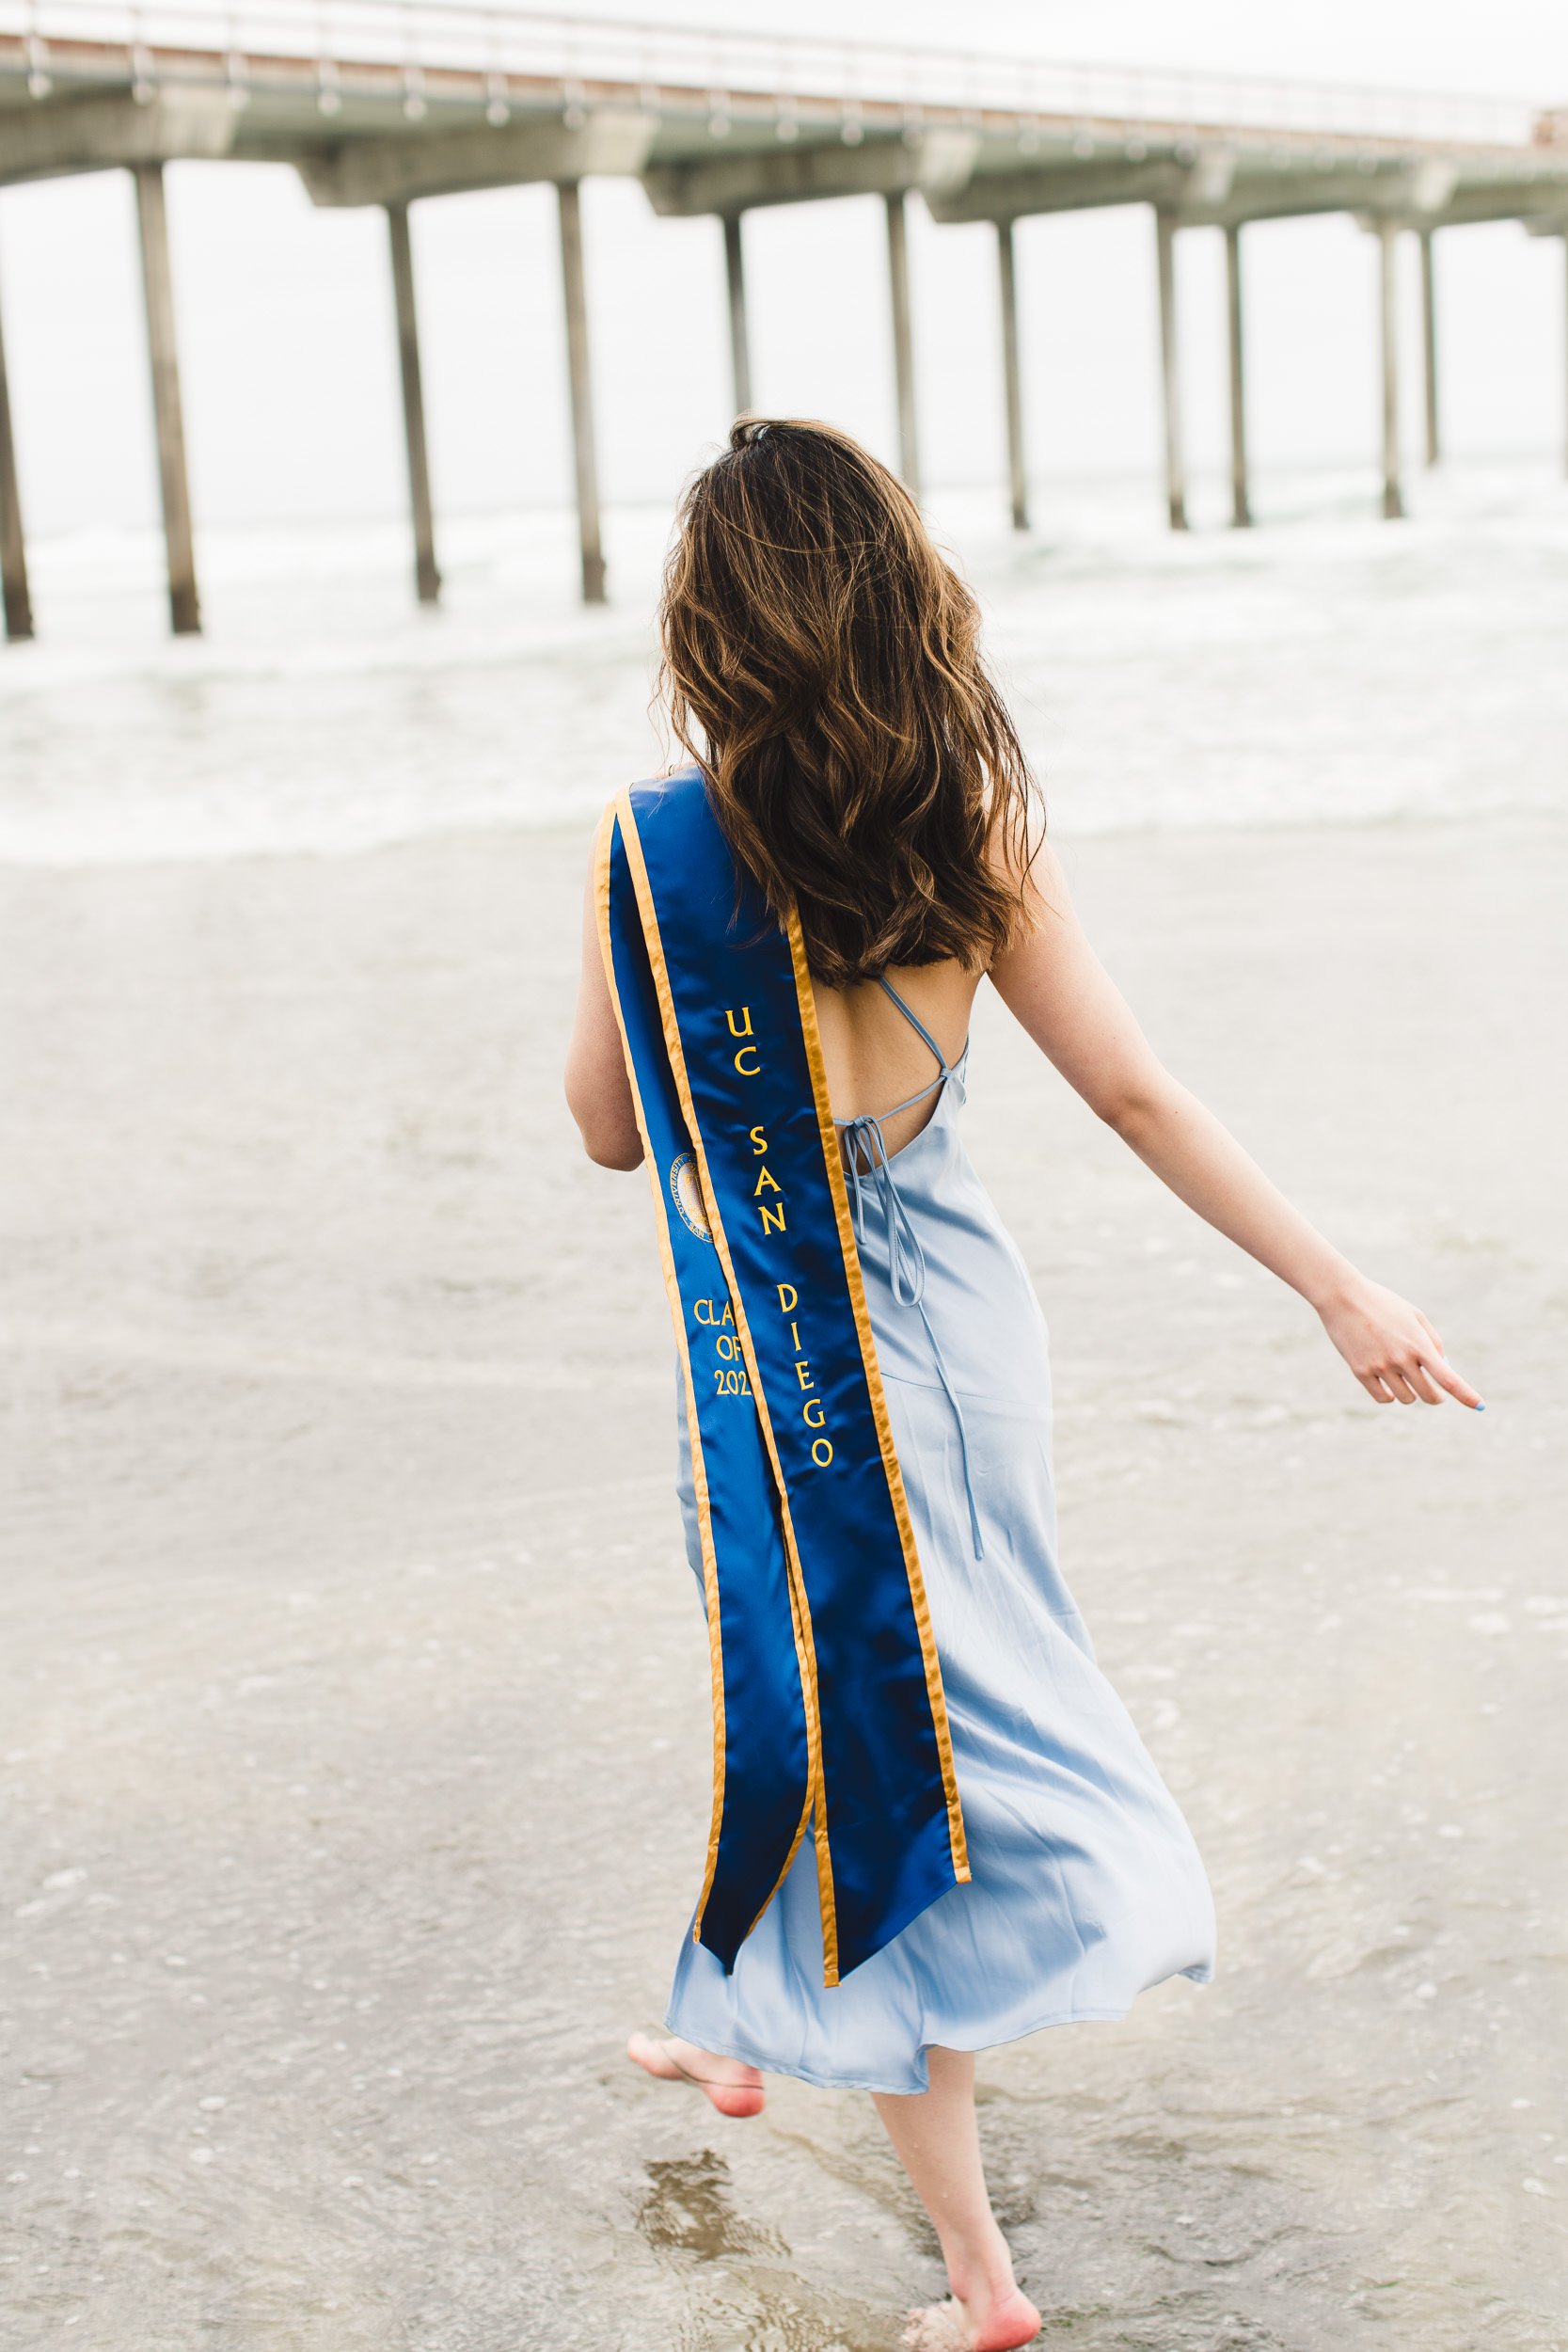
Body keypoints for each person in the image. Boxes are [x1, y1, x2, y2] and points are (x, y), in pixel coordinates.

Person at [564, 419, 1481, 2352]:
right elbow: (1137, 1091)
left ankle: (978, 2270)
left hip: (776, 1359)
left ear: (708, 625)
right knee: (850, 1697)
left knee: (872, 1726)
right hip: (960, 1338)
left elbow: (606, 1136)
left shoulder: (650, 854)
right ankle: (735, 2012)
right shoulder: (963, 834)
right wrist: (1337, 1285)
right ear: (900, 601)